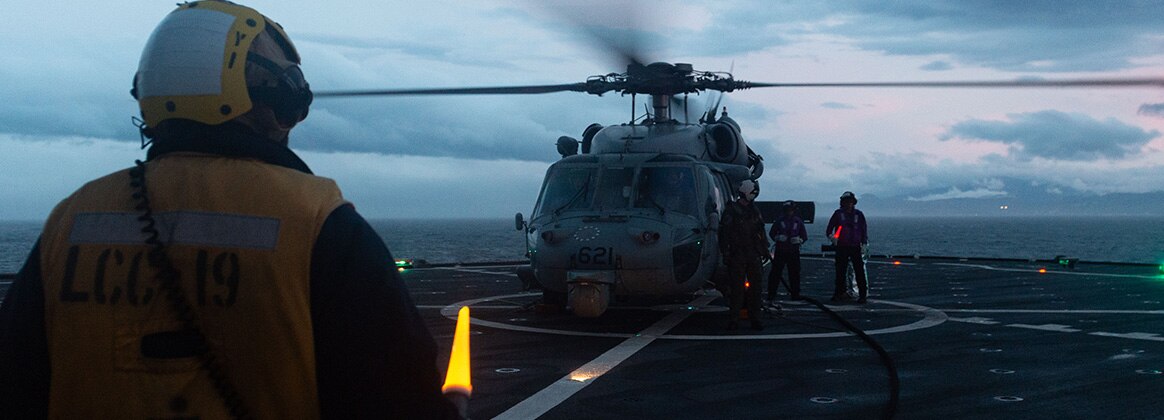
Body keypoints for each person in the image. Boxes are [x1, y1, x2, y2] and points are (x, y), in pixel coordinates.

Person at [0, 2, 460, 418]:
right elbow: (397, 395)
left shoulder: (71, 221)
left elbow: (18, 384)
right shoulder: (319, 224)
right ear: (273, 99)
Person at [718, 179, 770, 330]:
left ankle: (755, 318)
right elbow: (724, 234)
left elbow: (761, 231)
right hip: (738, 254)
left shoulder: (754, 210)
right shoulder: (732, 211)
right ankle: (734, 318)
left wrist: (764, 249)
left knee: (756, 287)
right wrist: (726, 253)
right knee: (736, 288)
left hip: (753, 253)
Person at [825, 191, 870, 303]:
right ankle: (839, 293)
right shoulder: (838, 214)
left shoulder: (859, 215)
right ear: (842, 202)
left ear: (853, 202)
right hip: (842, 247)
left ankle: (862, 295)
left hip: (855, 247)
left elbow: (863, 230)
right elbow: (829, 229)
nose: (848, 204)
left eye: (850, 202)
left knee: (859, 271)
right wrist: (832, 237)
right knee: (840, 271)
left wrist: (864, 243)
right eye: (846, 201)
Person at [766, 200, 807, 303]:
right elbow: (772, 233)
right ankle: (771, 293)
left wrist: (799, 240)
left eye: (791, 210)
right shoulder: (779, 221)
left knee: (794, 273)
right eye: (787, 210)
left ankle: (795, 293)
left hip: (793, 251)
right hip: (781, 251)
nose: (789, 212)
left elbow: (804, 236)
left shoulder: (798, 222)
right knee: (776, 273)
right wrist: (778, 238)